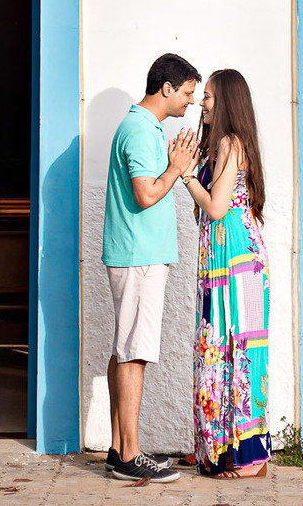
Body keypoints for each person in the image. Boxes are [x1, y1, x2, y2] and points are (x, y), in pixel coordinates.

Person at [102, 52, 202, 483]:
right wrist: (177, 167)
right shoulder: (141, 131)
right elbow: (145, 195)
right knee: (134, 353)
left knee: (123, 349)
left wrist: (176, 165)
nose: (190, 103)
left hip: (136, 253)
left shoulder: (144, 127)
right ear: (166, 88)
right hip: (139, 256)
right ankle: (130, 453)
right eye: (186, 93)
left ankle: (118, 448)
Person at [181, 69, 271, 478]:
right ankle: (217, 449)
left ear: (227, 104)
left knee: (237, 351)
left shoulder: (230, 143)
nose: (202, 102)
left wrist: (183, 174)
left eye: (210, 97)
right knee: (219, 350)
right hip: (225, 261)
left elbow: (216, 208)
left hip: (237, 264)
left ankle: (247, 456)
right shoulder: (217, 146)